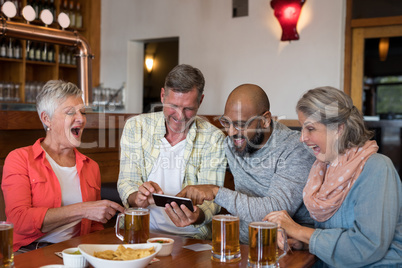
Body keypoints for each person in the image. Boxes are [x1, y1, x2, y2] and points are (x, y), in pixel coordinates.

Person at [265, 86, 402, 267]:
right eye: (302, 129)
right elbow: (335, 233)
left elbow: (368, 246)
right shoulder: (322, 170)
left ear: (339, 129)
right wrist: (304, 243)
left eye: (311, 128)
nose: (302, 138)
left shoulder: (377, 168)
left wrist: (298, 230)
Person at [177, 84, 315, 244]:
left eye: (241, 124)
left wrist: (216, 192)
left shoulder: (295, 149)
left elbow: (275, 211)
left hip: (285, 250)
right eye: (226, 122)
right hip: (240, 246)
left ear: (265, 120)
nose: (231, 132)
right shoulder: (233, 142)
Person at [1, 80, 124, 252]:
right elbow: (19, 221)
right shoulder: (20, 159)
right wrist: (82, 209)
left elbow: (95, 227)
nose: (81, 119)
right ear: (46, 119)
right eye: (70, 112)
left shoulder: (91, 167)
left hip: (75, 252)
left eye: (82, 112)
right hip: (30, 252)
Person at [117, 64, 226, 239]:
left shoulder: (214, 138)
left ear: (201, 101)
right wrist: (137, 197)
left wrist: (196, 216)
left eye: (188, 108)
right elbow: (127, 182)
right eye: (173, 106)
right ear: (162, 96)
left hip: (192, 238)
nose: (180, 116)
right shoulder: (136, 127)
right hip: (140, 233)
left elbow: (212, 203)